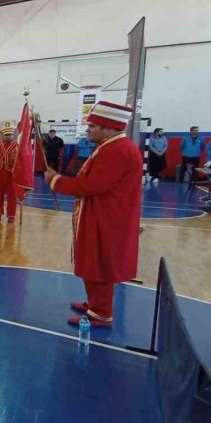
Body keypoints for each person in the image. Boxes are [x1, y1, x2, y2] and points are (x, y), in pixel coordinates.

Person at [44, 101, 142, 327]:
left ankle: (101, 313)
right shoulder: (110, 146)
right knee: (91, 260)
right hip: (100, 213)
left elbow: (92, 185)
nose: (88, 130)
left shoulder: (117, 150)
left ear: (109, 128)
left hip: (107, 217)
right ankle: (94, 303)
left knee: (100, 263)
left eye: (93, 126)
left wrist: (56, 181)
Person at [0, 121, 19, 223]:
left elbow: (22, 163)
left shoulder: (17, 146)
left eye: (10, 134)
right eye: (6, 135)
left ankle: (11, 215)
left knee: (12, 196)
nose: (8, 136)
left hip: (11, 175)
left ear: (13, 135)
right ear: (1, 135)